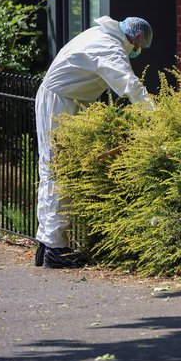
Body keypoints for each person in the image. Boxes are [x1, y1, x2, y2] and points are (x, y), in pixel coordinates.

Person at [34, 16, 154, 268]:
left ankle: (46, 242)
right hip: (60, 102)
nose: (137, 53)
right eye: (139, 48)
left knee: (51, 170)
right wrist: (154, 115)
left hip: (60, 98)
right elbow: (128, 84)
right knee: (59, 171)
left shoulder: (102, 37)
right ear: (135, 39)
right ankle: (55, 249)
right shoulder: (108, 46)